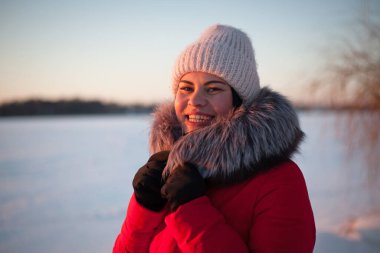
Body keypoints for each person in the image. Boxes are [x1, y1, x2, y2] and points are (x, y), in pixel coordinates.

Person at [113, 24, 315, 252]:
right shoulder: (168, 171)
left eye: (213, 89)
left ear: (240, 102)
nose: (195, 100)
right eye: (186, 88)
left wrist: (192, 211)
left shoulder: (280, 180)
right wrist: (144, 208)